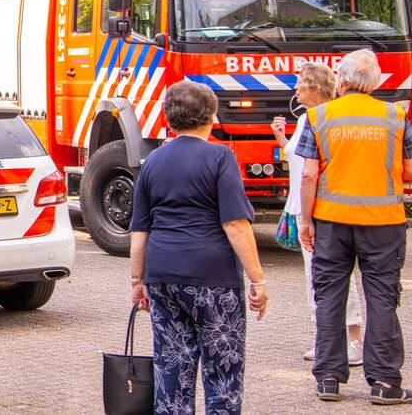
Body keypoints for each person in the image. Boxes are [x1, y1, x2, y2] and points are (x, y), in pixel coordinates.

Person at [129, 80, 268, 415]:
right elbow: (235, 224)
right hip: (213, 279)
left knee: (172, 367)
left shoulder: (153, 162)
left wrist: (138, 280)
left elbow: (139, 230)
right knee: (223, 374)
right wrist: (257, 279)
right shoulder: (220, 157)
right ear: (212, 116)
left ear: (168, 119)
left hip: (163, 277)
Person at [296, 49, 412, 404]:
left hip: (331, 222)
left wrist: (305, 220)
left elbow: (309, 174)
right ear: (375, 83)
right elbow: (408, 172)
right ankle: (385, 383)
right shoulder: (396, 115)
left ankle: (329, 378)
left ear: (342, 81)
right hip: (383, 224)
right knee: (381, 298)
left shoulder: (320, 116)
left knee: (329, 296)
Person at [270, 62, 364, 365]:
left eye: (299, 83)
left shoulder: (329, 120)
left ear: (314, 87)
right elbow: (296, 162)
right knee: (315, 279)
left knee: (336, 277)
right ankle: (324, 339)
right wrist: (281, 138)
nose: (295, 88)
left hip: (323, 210)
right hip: (301, 209)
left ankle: (354, 340)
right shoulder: (304, 120)